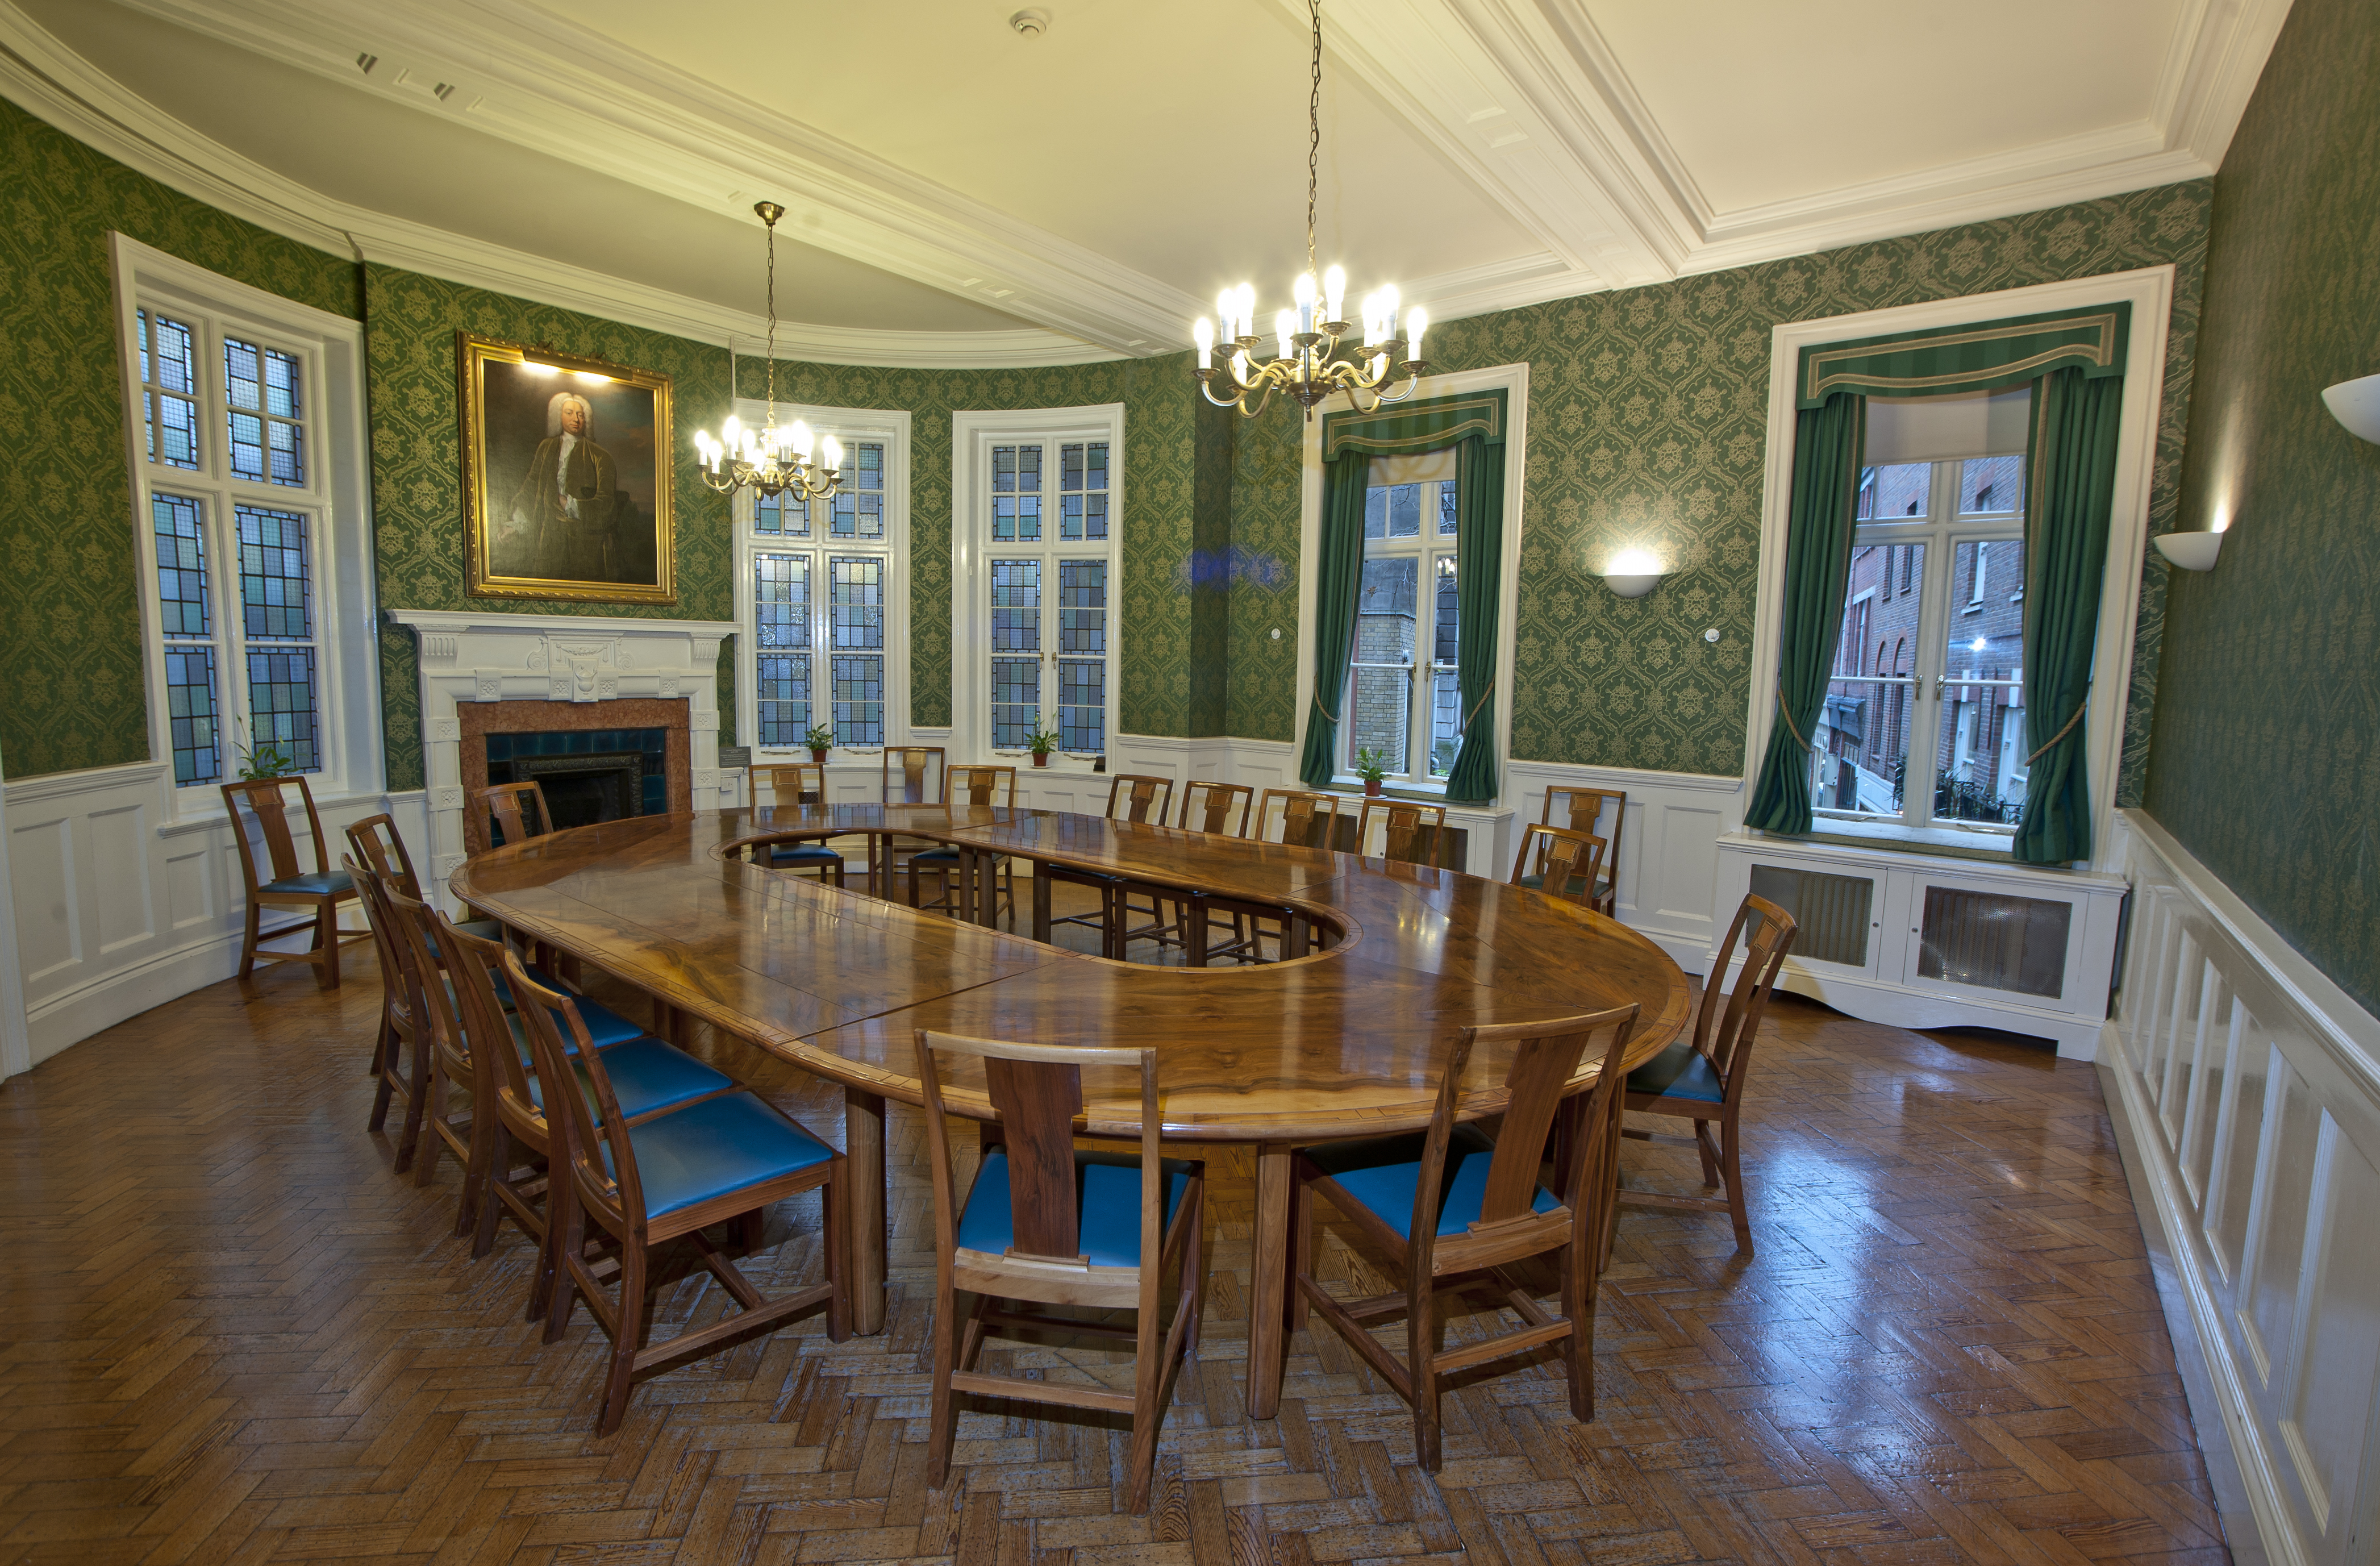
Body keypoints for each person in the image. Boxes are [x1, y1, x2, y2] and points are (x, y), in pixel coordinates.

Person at [499, 392, 618, 581]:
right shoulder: (546, 448)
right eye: (569, 413)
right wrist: (515, 524)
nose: (576, 419)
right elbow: (532, 485)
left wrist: (569, 505)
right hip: (549, 539)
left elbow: (606, 504)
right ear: (559, 416)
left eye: (580, 415)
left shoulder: (601, 456)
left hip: (586, 543)